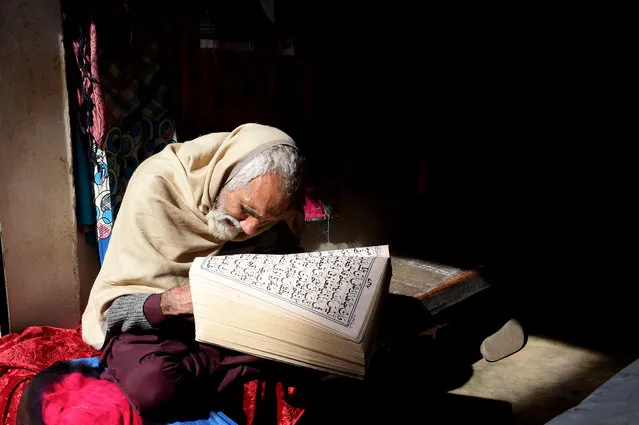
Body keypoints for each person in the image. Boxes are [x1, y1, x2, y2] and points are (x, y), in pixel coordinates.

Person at [81, 123, 313, 423]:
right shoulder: (158, 187)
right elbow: (115, 312)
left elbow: (282, 263)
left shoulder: (273, 215)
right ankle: (249, 364)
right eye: (246, 209)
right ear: (225, 175)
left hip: (235, 330)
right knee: (151, 386)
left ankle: (236, 363)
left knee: (316, 351)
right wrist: (169, 302)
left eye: (267, 220)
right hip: (161, 329)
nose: (249, 228)